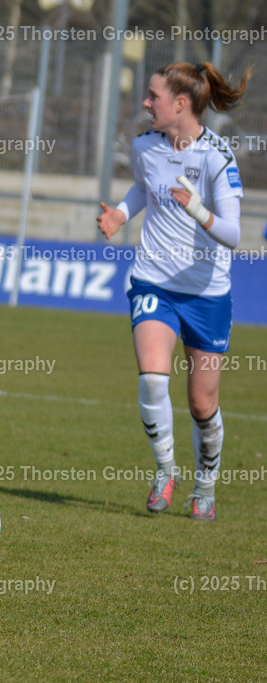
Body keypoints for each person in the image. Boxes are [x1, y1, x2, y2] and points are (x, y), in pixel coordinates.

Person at [97, 62, 250, 521]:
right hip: (153, 281)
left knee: (202, 404)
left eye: (153, 96)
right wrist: (120, 214)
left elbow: (233, 233)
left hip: (206, 294)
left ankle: (205, 487)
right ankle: (166, 470)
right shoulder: (145, 145)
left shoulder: (218, 156)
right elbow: (142, 188)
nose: (146, 103)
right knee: (151, 377)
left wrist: (198, 209)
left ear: (180, 104)